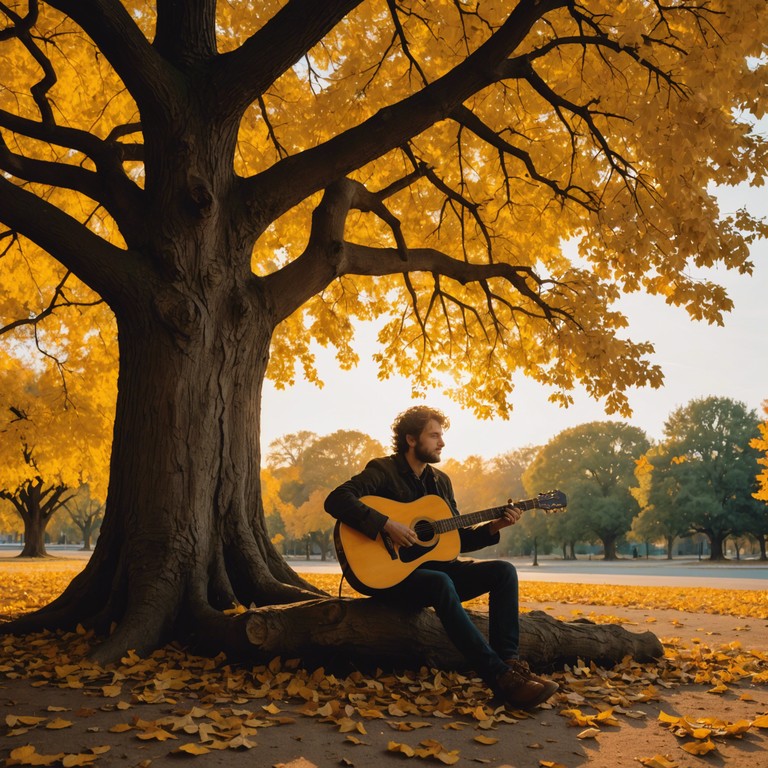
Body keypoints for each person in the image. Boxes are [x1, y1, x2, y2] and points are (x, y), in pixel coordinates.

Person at [324, 405, 559, 709]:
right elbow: (337, 499)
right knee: (440, 582)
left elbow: (455, 540)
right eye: (434, 435)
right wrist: (386, 524)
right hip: (387, 575)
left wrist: (495, 526)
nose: (442, 442)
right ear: (411, 439)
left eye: (441, 435)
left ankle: (510, 665)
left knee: (504, 572)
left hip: (434, 571)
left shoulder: (441, 482)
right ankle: (498, 677)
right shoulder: (383, 471)